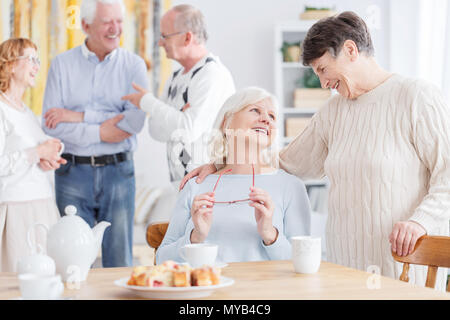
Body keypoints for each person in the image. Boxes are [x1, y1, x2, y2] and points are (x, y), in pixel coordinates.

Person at [181, 12, 450, 291]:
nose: (323, 84)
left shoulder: (416, 97)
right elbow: (286, 162)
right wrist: (221, 163)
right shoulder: (333, 112)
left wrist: (421, 221)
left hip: (404, 263)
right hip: (345, 268)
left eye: (322, 69)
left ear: (350, 50)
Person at [41, 0, 148, 267]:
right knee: (73, 259)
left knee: (119, 260)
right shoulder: (62, 65)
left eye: (119, 21)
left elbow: (133, 123)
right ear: (86, 25)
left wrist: (79, 116)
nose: (115, 29)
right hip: (72, 173)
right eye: (107, 22)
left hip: (119, 173)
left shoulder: (134, 65)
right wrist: (103, 129)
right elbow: (52, 125)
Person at [156, 87, 311, 264]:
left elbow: (304, 263)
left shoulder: (291, 186)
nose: (266, 120)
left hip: (264, 291)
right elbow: (162, 259)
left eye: (272, 116)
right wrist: (195, 237)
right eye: (255, 110)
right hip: (207, 289)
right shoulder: (196, 184)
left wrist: (271, 235)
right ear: (226, 123)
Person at [122, 4, 235, 183]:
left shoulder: (212, 74)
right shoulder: (176, 76)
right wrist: (179, 116)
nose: (160, 43)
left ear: (187, 37)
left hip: (208, 185)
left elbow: (188, 131)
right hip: (182, 183)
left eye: (164, 36)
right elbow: (155, 130)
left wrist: (147, 102)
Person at [0, 38, 66, 272]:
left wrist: (46, 158)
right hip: (16, 209)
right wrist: (37, 152)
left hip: (42, 206)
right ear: (10, 64)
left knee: (46, 281)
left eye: (38, 60)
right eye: (31, 59)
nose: (37, 66)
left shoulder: (26, 111)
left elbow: (27, 157)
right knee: (18, 284)